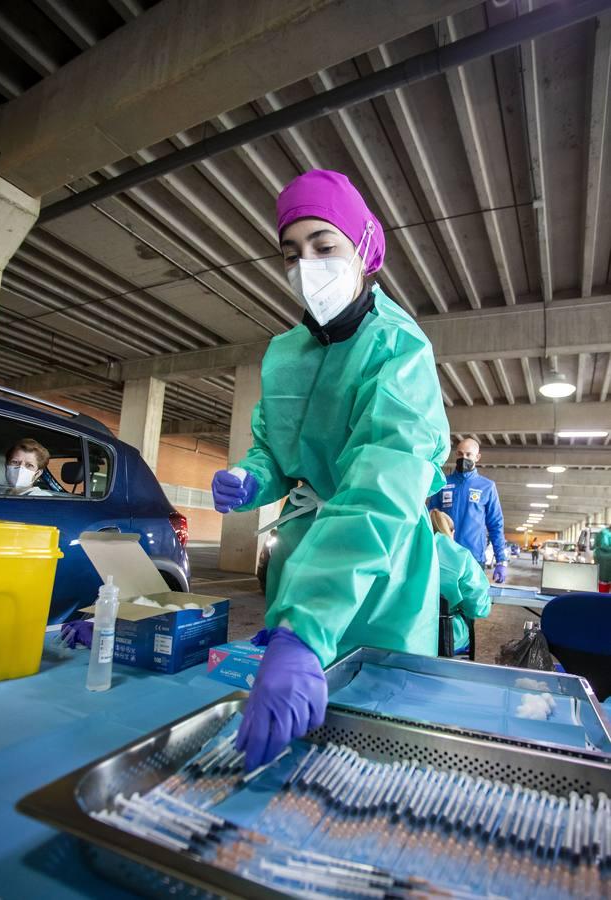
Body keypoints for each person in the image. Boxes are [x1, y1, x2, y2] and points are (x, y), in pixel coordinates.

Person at [212, 169, 450, 770]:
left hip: (379, 567)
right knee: (292, 742)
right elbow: (275, 448)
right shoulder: (284, 352)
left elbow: (380, 488)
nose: (306, 266)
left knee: (376, 741)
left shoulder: (400, 350)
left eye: (324, 246)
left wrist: (304, 625)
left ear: (364, 249)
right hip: (301, 556)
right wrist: (252, 478)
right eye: (291, 254)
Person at [428, 437, 508, 583]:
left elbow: (495, 525)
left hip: (474, 558)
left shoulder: (487, 487)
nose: (463, 458)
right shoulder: (442, 483)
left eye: (468, 454)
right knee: (442, 603)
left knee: (470, 602)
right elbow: (429, 519)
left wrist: (501, 560)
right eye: (459, 454)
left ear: (477, 457)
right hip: (444, 556)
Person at [430, 509, 491, 654]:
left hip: (398, 633)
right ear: (451, 532)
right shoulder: (461, 557)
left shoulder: (401, 550)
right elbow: (478, 608)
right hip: (443, 638)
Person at [594, 525, 611, 592]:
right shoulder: (604, 533)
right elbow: (604, 546)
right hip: (605, 560)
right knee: (604, 581)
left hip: (605, 558)